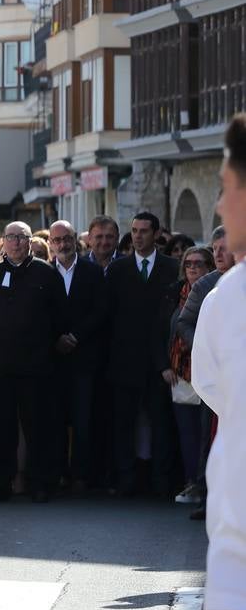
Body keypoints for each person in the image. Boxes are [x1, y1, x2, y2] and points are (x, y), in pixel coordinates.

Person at [191, 113, 246, 610]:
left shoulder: (228, 294)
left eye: (228, 188)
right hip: (233, 565)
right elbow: (209, 382)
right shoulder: (225, 294)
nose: (220, 206)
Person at [0, 222, 67, 503]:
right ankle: (0, 484)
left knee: (37, 428)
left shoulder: (46, 273)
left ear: (30, 241)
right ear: (3, 241)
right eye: (10, 237)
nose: (15, 242)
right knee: (1, 429)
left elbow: (60, 316)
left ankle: (40, 484)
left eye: (21, 237)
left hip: (35, 366)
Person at [105, 211, 179, 498]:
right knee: (124, 423)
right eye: (134, 231)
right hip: (125, 360)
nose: (137, 236)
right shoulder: (119, 269)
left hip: (159, 362)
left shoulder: (172, 268)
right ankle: (127, 479)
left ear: (157, 234)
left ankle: (161, 481)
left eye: (144, 231)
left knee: (160, 423)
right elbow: (109, 314)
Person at [48, 220, 109, 493]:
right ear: (50, 243)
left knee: (84, 419)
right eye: (57, 240)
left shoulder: (93, 272)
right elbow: (39, 313)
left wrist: (76, 336)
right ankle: (59, 472)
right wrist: (56, 338)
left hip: (84, 356)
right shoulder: (43, 273)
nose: (63, 244)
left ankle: (82, 475)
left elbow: (101, 311)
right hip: (53, 359)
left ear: (76, 240)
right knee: (55, 419)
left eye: (67, 239)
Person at [166, 246, 213, 507]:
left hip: (208, 373)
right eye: (188, 264)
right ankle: (190, 481)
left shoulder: (214, 293)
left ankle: (204, 483)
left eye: (199, 263)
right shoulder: (175, 294)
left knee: (207, 432)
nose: (193, 268)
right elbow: (164, 330)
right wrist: (166, 364)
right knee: (188, 433)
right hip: (181, 373)